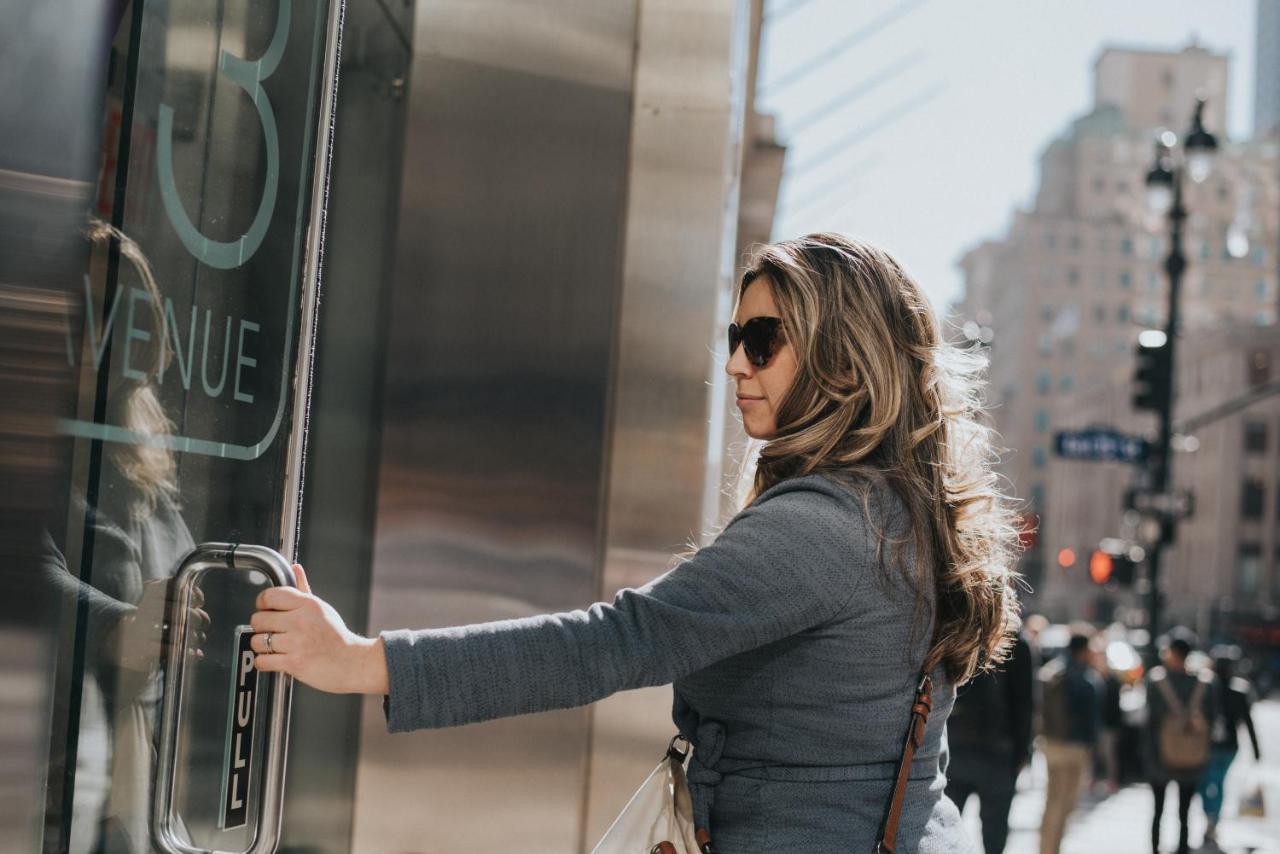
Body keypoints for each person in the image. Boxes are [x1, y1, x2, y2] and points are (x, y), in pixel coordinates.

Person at [249, 233, 1025, 852]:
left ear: (844, 363)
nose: (733, 364)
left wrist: (358, 661)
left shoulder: (821, 529)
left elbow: (615, 643)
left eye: (764, 341)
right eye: (735, 336)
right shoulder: (904, 516)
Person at [945, 631, 1035, 853]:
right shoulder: (1016, 641)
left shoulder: (959, 631)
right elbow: (1024, 703)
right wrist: (1023, 752)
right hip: (998, 752)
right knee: (995, 835)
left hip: (956, 748)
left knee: (945, 831)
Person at [1144, 629, 1216, 854]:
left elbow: (1149, 722)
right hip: (1192, 757)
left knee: (1158, 810)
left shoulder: (1157, 680)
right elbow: (1212, 720)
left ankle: (1155, 849)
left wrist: (1146, 755)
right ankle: (1182, 849)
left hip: (1160, 756)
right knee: (1185, 812)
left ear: (1173, 652)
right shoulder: (1205, 683)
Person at [1037, 632, 1103, 854]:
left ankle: (1048, 848)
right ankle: (1050, 849)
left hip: (1052, 743)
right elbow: (1093, 719)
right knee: (1065, 804)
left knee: (1053, 802)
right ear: (1084, 649)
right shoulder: (1086, 677)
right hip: (1075, 747)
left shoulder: (1053, 671)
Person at [1198, 645, 1262, 848]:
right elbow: (1248, 722)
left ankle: (1211, 819)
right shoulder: (1230, 689)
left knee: (1208, 782)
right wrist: (1255, 748)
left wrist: (1256, 748)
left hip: (1215, 746)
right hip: (1223, 746)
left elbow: (1247, 721)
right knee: (1217, 783)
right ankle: (1212, 819)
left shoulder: (1211, 688)